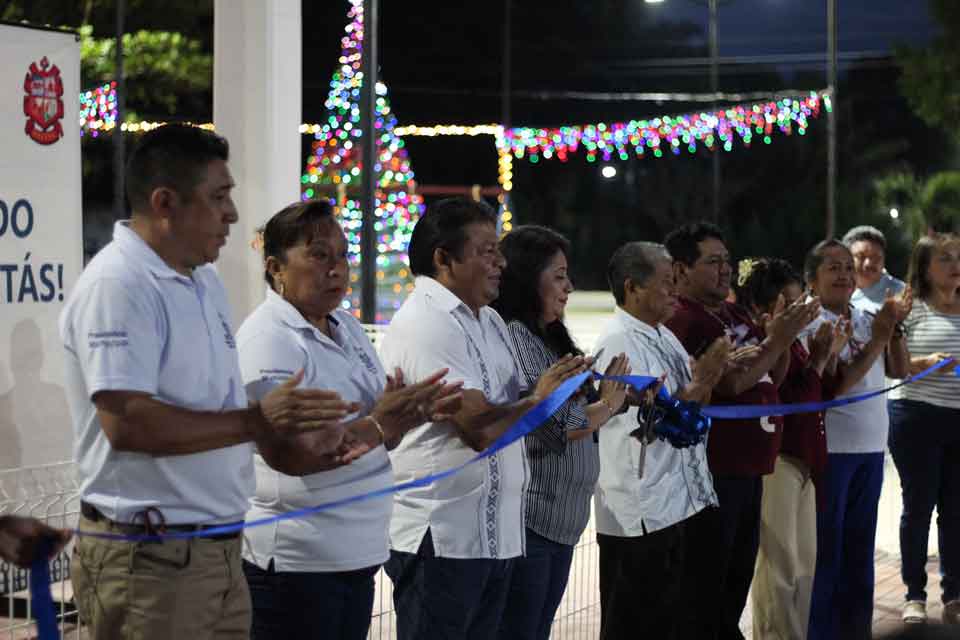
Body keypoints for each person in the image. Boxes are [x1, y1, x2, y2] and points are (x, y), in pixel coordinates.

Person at [59, 124, 355, 640]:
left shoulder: (203, 281)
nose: (233, 214)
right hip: (152, 561)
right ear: (165, 202)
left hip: (217, 549)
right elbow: (129, 424)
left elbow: (214, 408)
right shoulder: (119, 284)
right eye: (219, 197)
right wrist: (258, 421)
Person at [236, 200, 462, 639]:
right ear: (276, 268)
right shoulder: (268, 339)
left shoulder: (346, 326)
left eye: (342, 255)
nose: (337, 268)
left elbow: (380, 431)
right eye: (319, 255)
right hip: (298, 564)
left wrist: (404, 415)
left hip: (356, 555)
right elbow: (295, 454)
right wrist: (380, 423)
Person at [378, 198, 587, 640]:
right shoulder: (426, 323)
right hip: (444, 540)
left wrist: (542, 396)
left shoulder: (488, 320)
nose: (500, 263)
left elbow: (510, 406)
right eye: (487, 251)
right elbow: (479, 428)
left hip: (495, 536)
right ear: (443, 259)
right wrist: (540, 398)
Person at [663, 221, 819, 640]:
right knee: (708, 591)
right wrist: (776, 342)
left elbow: (770, 379)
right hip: (716, 472)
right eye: (713, 262)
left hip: (751, 469)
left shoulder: (731, 314)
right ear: (680, 270)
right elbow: (730, 384)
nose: (725, 270)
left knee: (734, 585)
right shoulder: (687, 320)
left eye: (727, 260)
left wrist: (780, 341)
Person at [490, 225, 630, 640]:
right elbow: (557, 425)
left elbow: (573, 413)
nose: (569, 287)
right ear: (526, 278)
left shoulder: (548, 336)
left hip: (559, 521)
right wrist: (609, 404)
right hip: (533, 520)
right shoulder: (516, 336)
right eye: (559, 276)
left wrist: (618, 397)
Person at [592, 241, 730, 640]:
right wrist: (703, 380)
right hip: (641, 515)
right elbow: (657, 423)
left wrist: (707, 379)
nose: (675, 291)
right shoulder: (617, 342)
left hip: (677, 503)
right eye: (667, 282)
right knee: (634, 627)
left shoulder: (664, 335)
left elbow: (693, 407)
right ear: (633, 287)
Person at [804, 239, 911, 640]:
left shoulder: (866, 317)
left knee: (860, 551)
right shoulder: (811, 323)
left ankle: (856, 630)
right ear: (811, 280)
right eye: (833, 267)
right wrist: (879, 338)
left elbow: (899, 370)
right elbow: (835, 387)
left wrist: (893, 329)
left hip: (870, 448)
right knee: (827, 550)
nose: (845, 275)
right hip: (831, 450)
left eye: (848, 267)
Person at [738, 258, 848, 640]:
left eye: (802, 301)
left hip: (805, 460)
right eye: (793, 303)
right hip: (778, 459)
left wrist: (826, 356)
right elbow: (787, 400)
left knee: (803, 570)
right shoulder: (762, 343)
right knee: (779, 570)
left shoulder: (795, 343)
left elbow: (820, 395)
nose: (802, 310)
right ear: (765, 308)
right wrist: (817, 360)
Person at [887, 233, 960, 625]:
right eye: (945, 259)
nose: (955, 266)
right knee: (918, 508)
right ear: (925, 267)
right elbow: (892, 365)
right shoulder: (909, 308)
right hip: (917, 417)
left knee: (956, 510)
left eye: (959, 258)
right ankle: (914, 594)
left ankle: (955, 596)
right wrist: (926, 362)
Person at [843, 225, 906, 312]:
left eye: (876, 257)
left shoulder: (901, 294)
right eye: (861, 256)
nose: (868, 263)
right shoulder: (833, 290)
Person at [0, 515, 71, 568]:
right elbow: (33, 525)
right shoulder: (5, 523)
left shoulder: (5, 523)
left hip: (25, 559)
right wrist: (58, 534)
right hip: (36, 552)